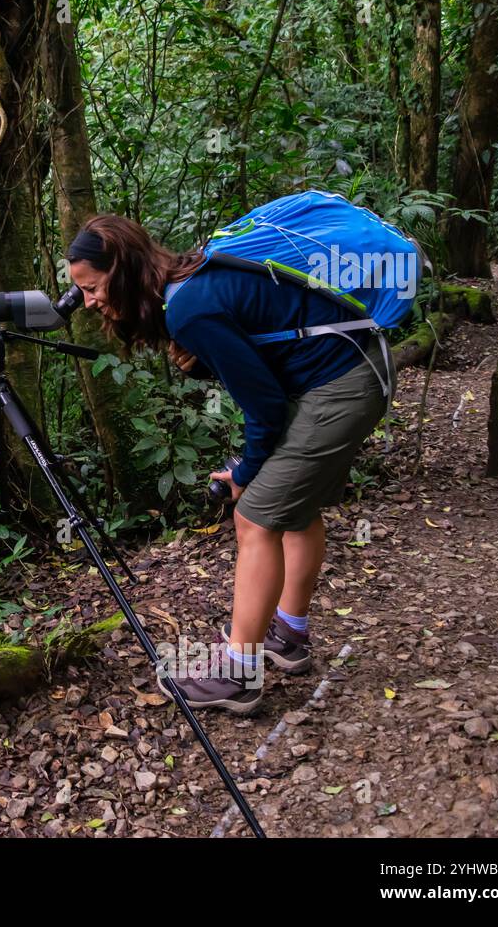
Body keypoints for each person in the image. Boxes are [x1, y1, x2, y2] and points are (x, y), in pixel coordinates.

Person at [65, 213, 393, 714]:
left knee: (255, 517)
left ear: (123, 268)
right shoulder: (186, 280)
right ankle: (290, 637)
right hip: (349, 371)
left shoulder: (189, 308)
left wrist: (244, 472)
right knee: (295, 510)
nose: (90, 302)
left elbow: (264, 406)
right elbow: (261, 354)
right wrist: (204, 367)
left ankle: (237, 676)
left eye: (93, 288)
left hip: (339, 388)